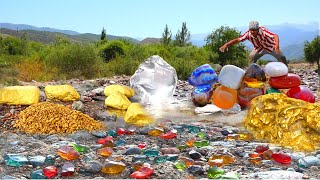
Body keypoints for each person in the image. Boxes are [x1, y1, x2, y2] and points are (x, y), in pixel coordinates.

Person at [219, 21, 288, 66]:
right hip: (259, 48)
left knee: (282, 57)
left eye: (254, 30)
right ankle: (252, 74)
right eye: (251, 30)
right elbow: (238, 39)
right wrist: (227, 44)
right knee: (251, 58)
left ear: (258, 29)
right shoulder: (248, 34)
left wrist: (277, 45)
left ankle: (286, 71)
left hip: (271, 47)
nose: (252, 32)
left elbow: (275, 36)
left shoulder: (263, 31)